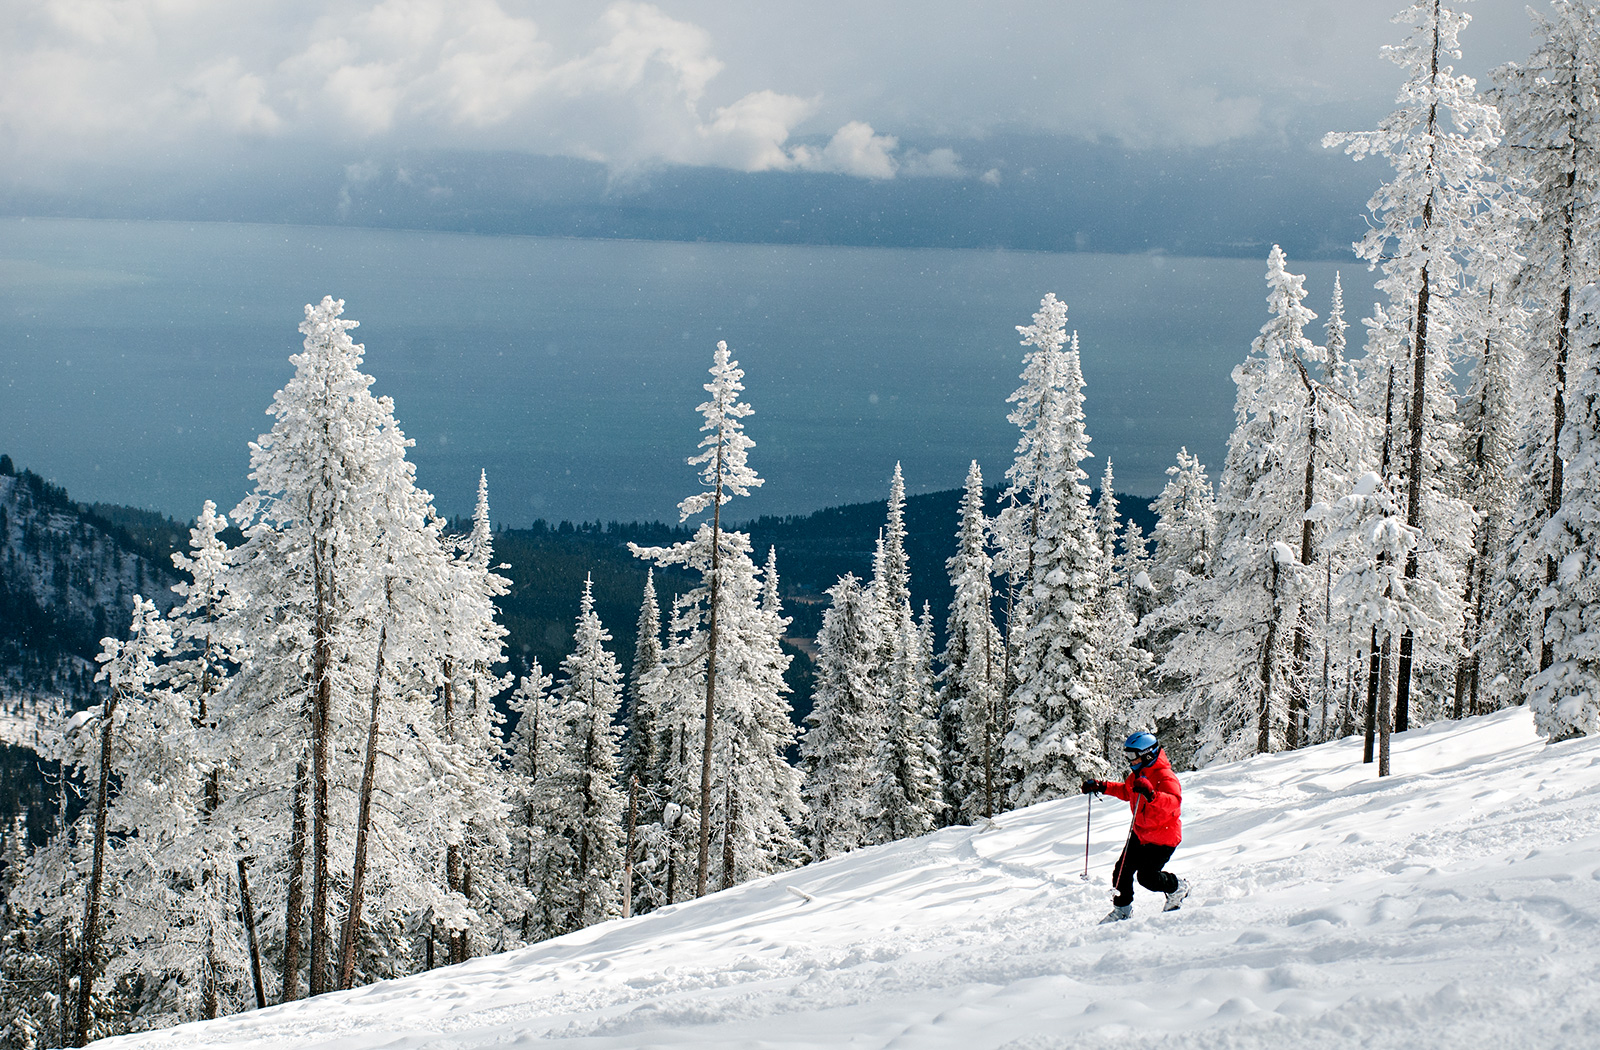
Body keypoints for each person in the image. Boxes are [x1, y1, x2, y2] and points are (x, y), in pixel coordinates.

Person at [1081, 731, 1188, 923]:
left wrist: (1152, 795)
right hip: (1140, 834)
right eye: (1127, 755)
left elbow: (1174, 803)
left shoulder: (1165, 777)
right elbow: (1126, 790)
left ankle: (1177, 887)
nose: (1129, 760)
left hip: (1162, 839)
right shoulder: (1138, 775)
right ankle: (1122, 910)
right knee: (1121, 871)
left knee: (1147, 878)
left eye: (1133, 755)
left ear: (1147, 755)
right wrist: (1101, 786)